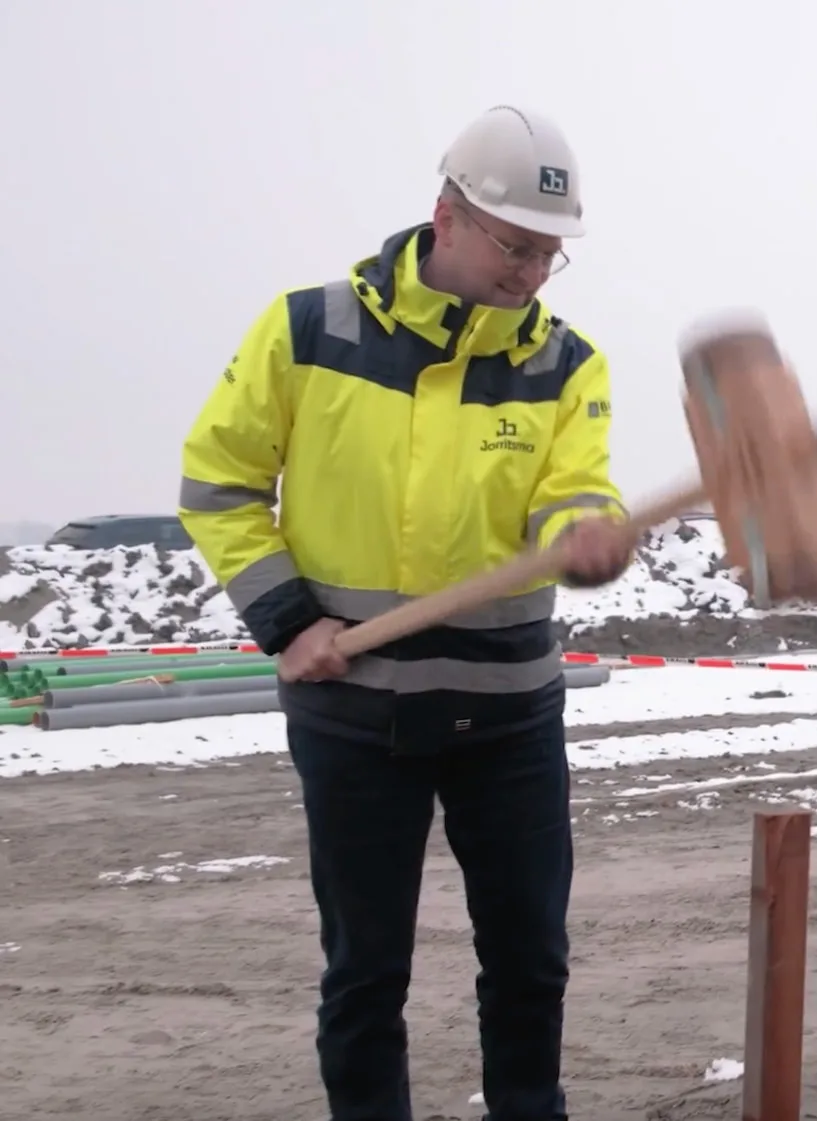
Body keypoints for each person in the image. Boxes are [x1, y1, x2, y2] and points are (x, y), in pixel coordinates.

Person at [177, 105, 632, 1121]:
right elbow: (220, 482)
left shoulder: (566, 363)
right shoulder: (307, 330)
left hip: (509, 715)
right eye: (515, 245)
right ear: (446, 214)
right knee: (365, 970)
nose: (528, 272)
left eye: (548, 255)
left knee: (529, 959)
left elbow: (573, 484)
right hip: (353, 712)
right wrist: (289, 619)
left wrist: (589, 529)